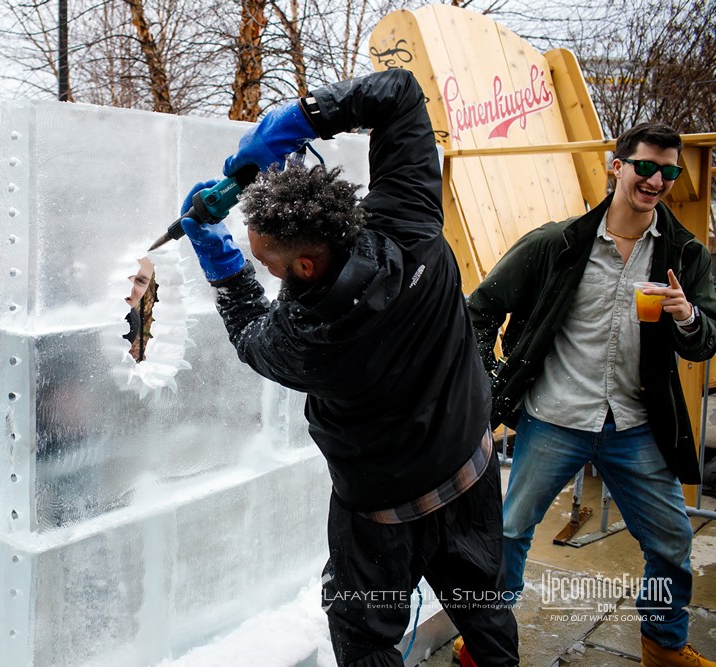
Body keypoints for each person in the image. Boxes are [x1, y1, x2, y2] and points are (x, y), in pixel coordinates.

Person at [178, 68, 519, 666]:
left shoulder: (304, 339)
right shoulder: (408, 222)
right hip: (469, 473)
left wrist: (219, 258)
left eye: (264, 257)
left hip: (384, 517)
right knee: (483, 606)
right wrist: (305, 117)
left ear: (305, 267)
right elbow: (400, 93)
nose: (258, 260)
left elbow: (249, 332)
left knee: (365, 640)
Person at [467, 122, 715, 667]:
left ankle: (663, 643)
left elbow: (706, 340)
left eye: (668, 172)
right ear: (615, 164)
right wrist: (493, 379)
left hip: (635, 426)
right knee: (509, 531)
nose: (655, 180)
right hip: (555, 417)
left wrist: (688, 316)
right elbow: (477, 309)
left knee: (672, 541)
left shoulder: (686, 255)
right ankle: (485, 641)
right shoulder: (556, 243)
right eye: (645, 166)